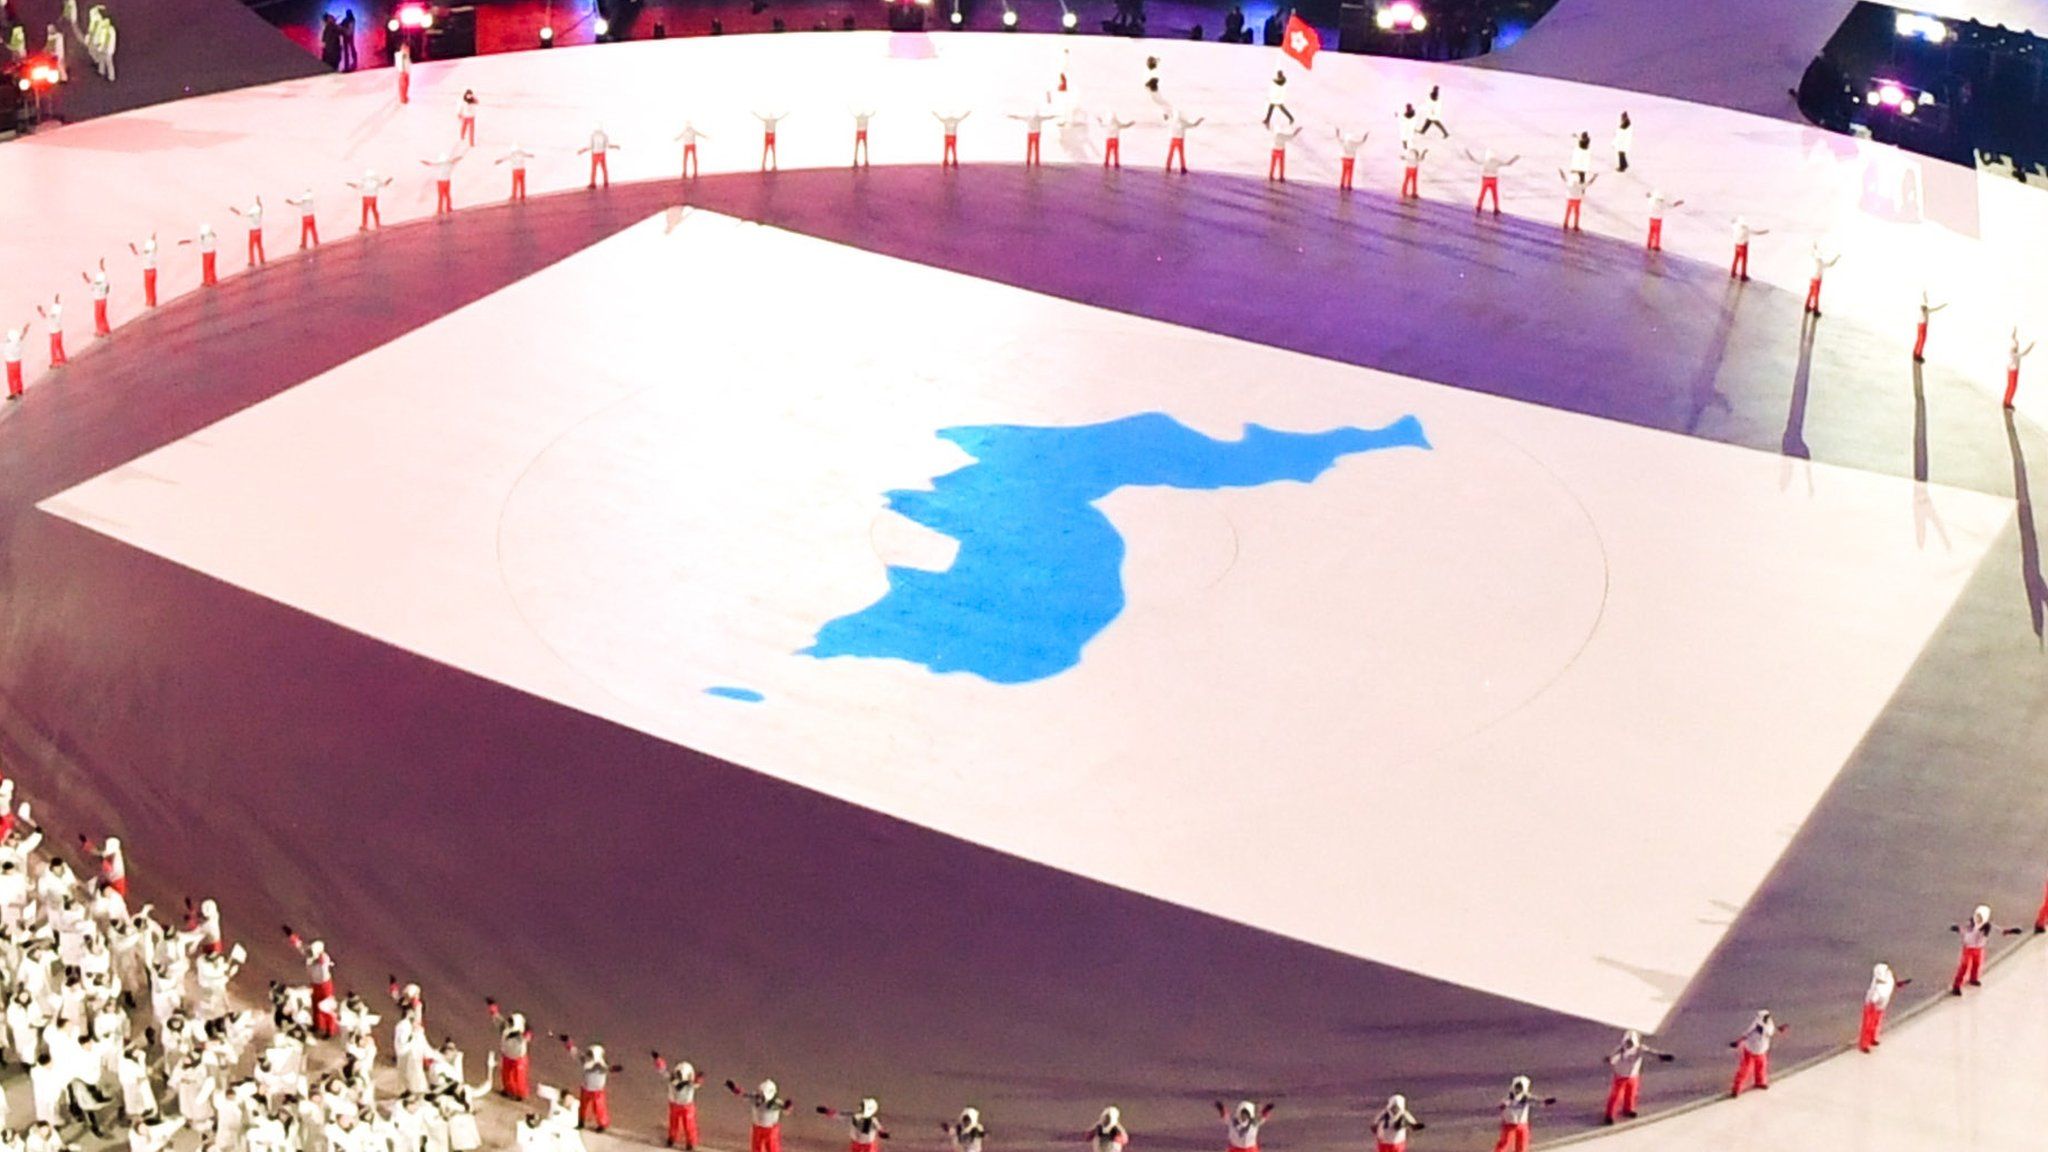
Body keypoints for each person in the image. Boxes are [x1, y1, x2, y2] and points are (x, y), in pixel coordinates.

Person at [1602, 1029, 1672, 1123]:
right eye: (1627, 1042)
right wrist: (1610, 1059)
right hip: (1621, 1075)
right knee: (1616, 1095)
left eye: (1630, 1043)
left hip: (1633, 1076)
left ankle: (1628, 1109)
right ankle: (1609, 1115)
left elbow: (1650, 1053)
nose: (1629, 1045)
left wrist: (1661, 1056)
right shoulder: (1620, 1050)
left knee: (1631, 1093)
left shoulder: (1640, 1049)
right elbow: (1614, 1057)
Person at [1950, 903, 2023, 989]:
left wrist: (2011, 931)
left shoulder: (1987, 926)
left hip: (1978, 948)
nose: (1977, 919)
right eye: (1977, 916)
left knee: (1976, 964)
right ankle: (1957, 985)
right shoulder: (1970, 924)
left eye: (1980, 917)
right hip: (1968, 947)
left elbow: (2000, 930)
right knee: (1964, 966)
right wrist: (1957, 929)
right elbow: (1963, 929)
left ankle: (1973, 978)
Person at [1728, 1010, 1784, 1096]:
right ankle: (1736, 1088)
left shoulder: (1768, 1026)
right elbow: (1746, 1034)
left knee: (1761, 1066)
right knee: (1745, 1069)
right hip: (1750, 1050)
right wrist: (1738, 1042)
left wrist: (1779, 1029)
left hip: (1761, 1050)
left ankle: (1760, 1081)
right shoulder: (1755, 1025)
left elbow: (1771, 1032)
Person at [726, 1078, 790, 1152]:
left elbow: (786, 1111)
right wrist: (734, 1089)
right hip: (757, 1128)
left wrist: (787, 1107)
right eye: (760, 1094)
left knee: (772, 1148)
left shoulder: (776, 1103)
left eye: (763, 1095)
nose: (760, 1097)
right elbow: (742, 1094)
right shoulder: (754, 1097)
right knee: (756, 1147)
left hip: (771, 1130)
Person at [654, 1054, 701, 1148]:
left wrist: (658, 1060)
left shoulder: (688, 1084)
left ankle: (690, 1143)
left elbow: (663, 1071)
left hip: (685, 1106)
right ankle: (672, 1139)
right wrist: (658, 1060)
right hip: (676, 1105)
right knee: (674, 1124)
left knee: (688, 1125)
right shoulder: (674, 1080)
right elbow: (663, 1071)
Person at [1860, 962, 1909, 1051]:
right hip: (1873, 1004)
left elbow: (1894, 984)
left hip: (1881, 1003)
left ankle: (1872, 1038)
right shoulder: (1879, 983)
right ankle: (1865, 1043)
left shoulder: (1888, 978)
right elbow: (1874, 996)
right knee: (1869, 1023)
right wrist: (1873, 1002)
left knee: (1876, 1021)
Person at [1492, 1077, 1550, 1152]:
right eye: (1517, 1087)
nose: (1518, 1089)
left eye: (1520, 1087)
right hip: (1509, 1123)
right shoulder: (1509, 1097)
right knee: (1505, 1143)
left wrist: (1544, 1101)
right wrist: (1504, 1105)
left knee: (1522, 1144)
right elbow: (1505, 1102)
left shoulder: (1526, 1097)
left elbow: (1536, 1101)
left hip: (1522, 1123)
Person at [1466, 148, 1517, 214]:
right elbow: (1508, 164)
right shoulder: (1496, 161)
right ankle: (1496, 208)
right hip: (1494, 179)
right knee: (1495, 195)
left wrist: (1468, 154)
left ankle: (1479, 206)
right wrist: (1515, 158)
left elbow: (1475, 160)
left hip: (1486, 179)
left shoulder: (1485, 161)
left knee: (1482, 193)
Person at [421, 150, 462, 216]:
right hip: (447, 181)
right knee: (448, 195)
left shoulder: (438, 165)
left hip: (440, 182)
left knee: (441, 196)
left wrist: (423, 161)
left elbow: (429, 164)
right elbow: (454, 160)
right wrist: (459, 157)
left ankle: (440, 210)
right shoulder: (449, 164)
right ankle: (448, 208)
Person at [229, 196, 266, 266]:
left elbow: (240, 213)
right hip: (259, 230)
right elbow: (260, 207)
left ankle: (252, 261)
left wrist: (234, 210)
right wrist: (258, 200)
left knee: (251, 247)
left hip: (253, 232)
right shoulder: (260, 213)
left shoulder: (251, 215)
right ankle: (262, 259)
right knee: (259, 245)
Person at [1803, 244, 1840, 316]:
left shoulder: (1816, 260)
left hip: (1812, 279)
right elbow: (1831, 264)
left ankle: (1807, 307)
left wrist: (1815, 248)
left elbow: (1814, 254)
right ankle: (1815, 311)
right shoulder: (1823, 263)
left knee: (1810, 294)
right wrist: (1837, 258)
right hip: (1817, 281)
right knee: (1816, 296)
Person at [2005, 330, 2035, 409]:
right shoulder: (2014, 354)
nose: (2017, 347)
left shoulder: (2013, 350)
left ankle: (2006, 401)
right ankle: (2008, 403)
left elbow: (2015, 340)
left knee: (2009, 386)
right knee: (2012, 387)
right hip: (2013, 372)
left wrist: (2014, 333)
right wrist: (2031, 345)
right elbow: (2025, 353)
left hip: (2010, 370)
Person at [1913, 291, 1946, 362]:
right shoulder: (1925, 309)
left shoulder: (1925, 310)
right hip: (1923, 326)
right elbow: (1927, 302)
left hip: (1919, 324)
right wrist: (1924, 294)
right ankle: (1918, 356)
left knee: (1919, 339)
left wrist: (1943, 306)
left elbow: (1935, 309)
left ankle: (1916, 353)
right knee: (1922, 340)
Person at [128, 233, 159, 307]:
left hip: (147, 271)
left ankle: (149, 301)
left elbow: (136, 252)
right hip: (154, 270)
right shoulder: (153, 251)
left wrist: (132, 247)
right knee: (153, 286)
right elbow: (153, 243)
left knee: (148, 286)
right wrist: (153, 238)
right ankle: (153, 300)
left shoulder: (145, 253)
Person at [81, 260, 110, 337]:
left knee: (98, 316)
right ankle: (106, 329)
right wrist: (101, 264)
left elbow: (89, 281)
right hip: (104, 299)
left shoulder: (95, 284)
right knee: (103, 315)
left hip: (98, 301)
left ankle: (100, 332)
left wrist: (85, 277)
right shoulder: (104, 282)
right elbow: (107, 288)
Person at [35, 296, 64, 367]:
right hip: (59, 332)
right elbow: (56, 306)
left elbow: (45, 315)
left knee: (53, 348)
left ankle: (55, 363)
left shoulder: (51, 316)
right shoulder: (58, 313)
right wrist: (56, 300)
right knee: (59, 346)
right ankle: (63, 359)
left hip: (54, 333)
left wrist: (40, 310)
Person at [4, 320, 26, 400]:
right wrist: (24, 330)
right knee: (18, 375)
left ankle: (13, 392)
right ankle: (20, 389)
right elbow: (21, 337)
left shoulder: (7, 345)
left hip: (10, 362)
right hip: (18, 361)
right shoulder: (17, 343)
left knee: (11, 378)